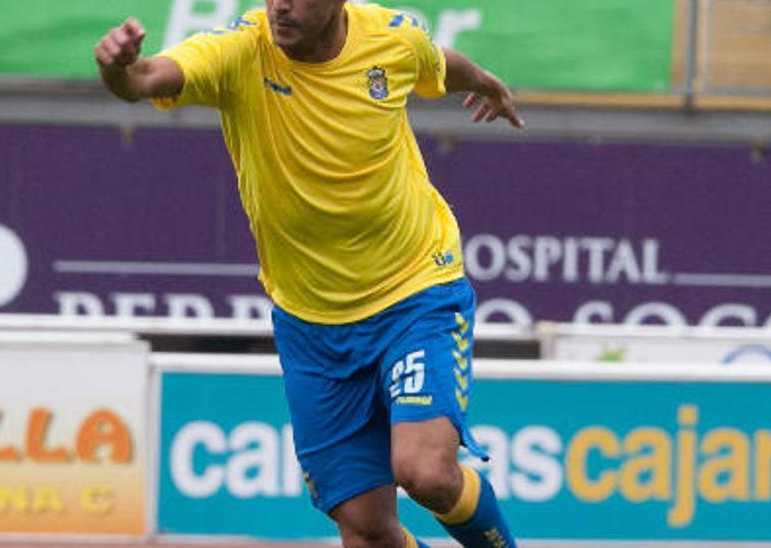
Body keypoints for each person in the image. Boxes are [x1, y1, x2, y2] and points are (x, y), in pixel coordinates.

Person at [96, 2, 522, 547]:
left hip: (415, 292)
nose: (281, 6)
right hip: (312, 326)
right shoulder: (240, 52)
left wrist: (486, 82)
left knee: (428, 474)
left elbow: (438, 63)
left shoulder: (390, 39)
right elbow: (144, 79)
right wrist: (117, 67)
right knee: (365, 528)